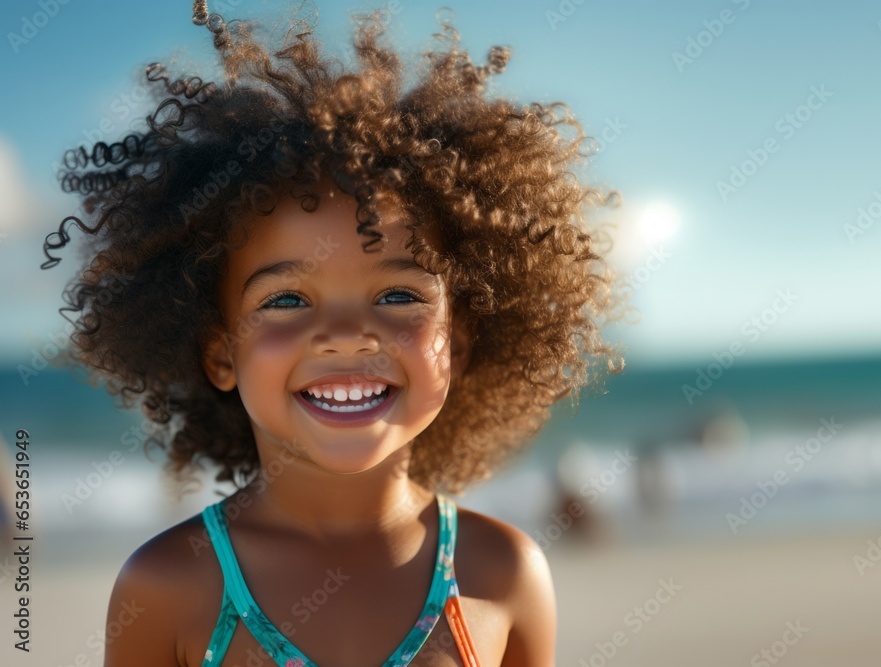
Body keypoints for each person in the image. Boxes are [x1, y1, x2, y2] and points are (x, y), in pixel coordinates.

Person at [41, 2, 627, 664]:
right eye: (288, 298)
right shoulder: (170, 586)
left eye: (398, 294)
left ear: (458, 343)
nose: (348, 335)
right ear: (220, 350)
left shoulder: (504, 575)